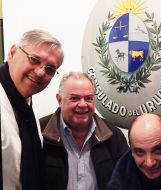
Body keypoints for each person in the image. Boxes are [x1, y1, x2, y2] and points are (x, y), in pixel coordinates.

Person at [40, 72, 129, 190]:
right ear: (59, 100)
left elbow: (126, 182)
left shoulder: (113, 136)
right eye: (74, 98)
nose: (83, 104)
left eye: (88, 98)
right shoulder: (39, 132)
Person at [0, 29, 64, 190]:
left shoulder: (26, 110)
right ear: (12, 52)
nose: (41, 72)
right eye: (34, 59)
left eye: (50, 69)